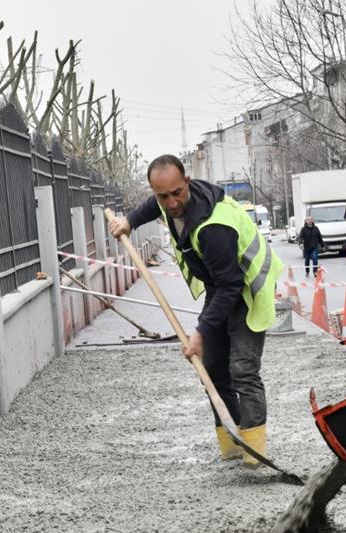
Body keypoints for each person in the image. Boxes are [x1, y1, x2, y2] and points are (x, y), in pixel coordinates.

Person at [107, 156, 282, 467]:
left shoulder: (213, 226)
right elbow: (152, 206)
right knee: (213, 371)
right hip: (221, 286)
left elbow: (231, 287)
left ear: (186, 182)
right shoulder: (165, 199)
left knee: (243, 369)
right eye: (163, 196)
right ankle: (231, 446)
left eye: (176, 193)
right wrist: (129, 222)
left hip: (247, 290)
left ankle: (255, 455)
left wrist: (200, 333)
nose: (171, 203)